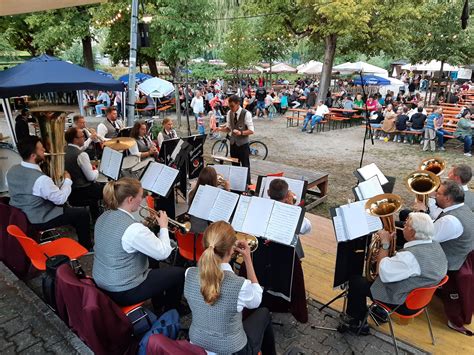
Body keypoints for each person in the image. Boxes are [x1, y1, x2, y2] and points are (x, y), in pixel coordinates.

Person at [344, 213, 447, 334]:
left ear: (413, 233)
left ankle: (358, 323)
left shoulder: (409, 258)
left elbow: (382, 272)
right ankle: (378, 312)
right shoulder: (435, 245)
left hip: (402, 302)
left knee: (356, 281)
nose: (403, 226)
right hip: (421, 299)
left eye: (406, 225)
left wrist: (385, 243)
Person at [183, 221, 276, 355]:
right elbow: (256, 299)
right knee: (264, 313)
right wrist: (248, 259)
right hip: (231, 350)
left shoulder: (189, 273)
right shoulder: (240, 285)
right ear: (231, 250)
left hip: (197, 342)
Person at [93, 178, 184, 313]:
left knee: (151, 259)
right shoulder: (133, 229)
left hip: (102, 280)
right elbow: (164, 253)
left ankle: (158, 303)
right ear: (130, 199)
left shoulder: (103, 216)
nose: (142, 200)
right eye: (140, 197)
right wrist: (163, 226)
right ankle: (171, 312)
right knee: (179, 273)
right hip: (122, 290)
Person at [6, 136, 92, 249]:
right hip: (39, 218)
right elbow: (61, 199)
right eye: (41, 149)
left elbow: (14, 188)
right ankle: (86, 247)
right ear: (33, 156)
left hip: (19, 215)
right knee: (82, 213)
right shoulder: (40, 179)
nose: (44, 151)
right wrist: (67, 180)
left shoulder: (11, 170)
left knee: (69, 210)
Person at [413, 180, 473, 272]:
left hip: (442, 263)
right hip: (453, 255)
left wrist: (422, 213)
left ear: (447, 199)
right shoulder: (463, 207)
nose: (434, 195)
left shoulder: (450, 221)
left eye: (438, 193)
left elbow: (424, 238)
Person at [64, 128, 104, 220]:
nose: (84, 139)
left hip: (71, 191)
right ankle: (99, 217)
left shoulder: (63, 151)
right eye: (82, 137)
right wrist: (97, 170)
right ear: (75, 139)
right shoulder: (81, 155)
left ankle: (95, 214)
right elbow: (91, 177)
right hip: (83, 190)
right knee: (110, 189)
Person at [267, 179, 311, 258]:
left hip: (265, 250)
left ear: (268, 192)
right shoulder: (291, 214)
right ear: (287, 195)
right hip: (286, 254)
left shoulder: (262, 208)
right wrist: (292, 207)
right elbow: (307, 228)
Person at [216, 95, 254, 184]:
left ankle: (247, 185)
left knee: (245, 166)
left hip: (243, 144)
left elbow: (251, 130)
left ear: (238, 104)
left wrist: (241, 133)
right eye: (229, 106)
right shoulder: (229, 113)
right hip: (233, 144)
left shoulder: (246, 114)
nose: (231, 108)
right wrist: (220, 129)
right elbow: (229, 128)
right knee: (234, 166)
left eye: (232, 106)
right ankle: (237, 184)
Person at [188, 166, 230, 234]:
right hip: (207, 235)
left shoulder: (192, 193)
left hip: (192, 233)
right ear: (213, 180)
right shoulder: (216, 198)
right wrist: (227, 190)